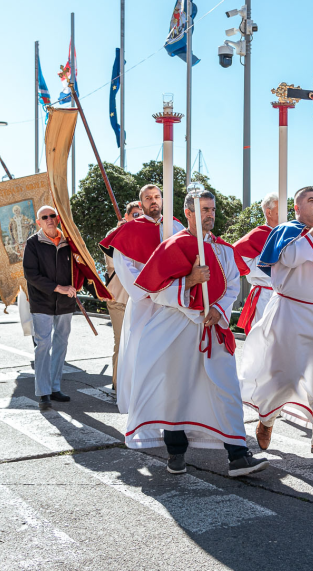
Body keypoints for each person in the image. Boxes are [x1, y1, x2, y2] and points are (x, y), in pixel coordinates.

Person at [128, 190, 268, 477]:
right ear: (188, 213)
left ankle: (238, 455)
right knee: (176, 390)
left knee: (227, 387)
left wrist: (218, 308)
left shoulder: (223, 249)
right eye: (203, 209)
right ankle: (175, 452)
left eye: (212, 209)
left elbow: (231, 286)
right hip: (177, 330)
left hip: (212, 327)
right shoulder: (173, 246)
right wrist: (190, 281)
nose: (210, 214)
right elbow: (155, 292)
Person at [240, 186, 313, 459]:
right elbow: (290, 258)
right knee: (286, 375)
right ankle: (267, 419)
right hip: (290, 314)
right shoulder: (284, 231)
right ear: (297, 208)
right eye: (311, 200)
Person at [100, 184, 185, 412]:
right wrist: (151, 289)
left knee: (171, 353)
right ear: (142, 203)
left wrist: (173, 289)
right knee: (139, 349)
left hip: (171, 302)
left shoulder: (176, 226)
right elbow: (123, 265)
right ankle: (139, 403)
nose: (153, 201)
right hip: (144, 302)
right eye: (148, 198)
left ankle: (169, 403)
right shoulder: (130, 230)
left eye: (157, 196)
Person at [23, 206, 82, 410]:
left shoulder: (69, 242)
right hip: (42, 302)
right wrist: (59, 288)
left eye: (52, 216)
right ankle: (43, 392)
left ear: (58, 219)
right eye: (44, 217)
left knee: (61, 344)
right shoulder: (33, 243)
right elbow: (31, 274)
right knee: (43, 345)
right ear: (38, 222)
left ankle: (55, 387)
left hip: (65, 303)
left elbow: (79, 269)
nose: (49, 219)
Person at [102, 201, 141, 388]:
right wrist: (122, 234)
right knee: (121, 341)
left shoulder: (146, 236)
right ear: (126, 216)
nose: (138, 218)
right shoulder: (113, 235)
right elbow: (112, 263)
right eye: (135, 214)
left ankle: (135, 383)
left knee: (139, 343)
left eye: (141, 215)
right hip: (118, 298)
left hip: (139, 299)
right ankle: (118, 385)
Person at [232, 192, 281, 334]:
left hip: (286, 296)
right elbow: (236, 257)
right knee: (262, 341)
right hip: (264, 295)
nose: (285, 213)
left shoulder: (289, 233)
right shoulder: (259, 234)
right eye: (280, 209)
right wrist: (272, 269)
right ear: (269, 212)